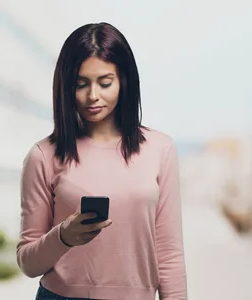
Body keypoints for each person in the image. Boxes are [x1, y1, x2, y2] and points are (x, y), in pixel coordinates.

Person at [17, 22, 187, 300]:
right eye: (80, 84)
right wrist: (63, 237)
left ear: (124, 81)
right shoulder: (43, 155)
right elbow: (27, 262)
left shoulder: (160, 149)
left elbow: (169, 254)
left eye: (105, 83)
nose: (93, 95)